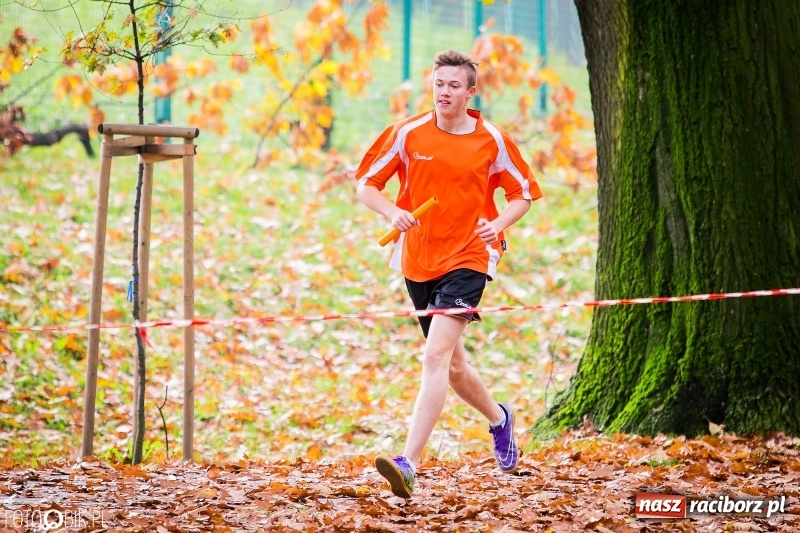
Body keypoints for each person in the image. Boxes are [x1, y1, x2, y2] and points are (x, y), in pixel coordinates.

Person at [354, 49, 543, 499]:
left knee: (436, 356)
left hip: (471, 256)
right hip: (418, 258)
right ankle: (500, 420)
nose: (444, 92)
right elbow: (366, 184)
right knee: (454, 365)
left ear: (470, 92)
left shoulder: (491, 139)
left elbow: (523, 194)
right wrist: (392, 211)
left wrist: (496, 225)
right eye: (439, 84)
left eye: (454, 86)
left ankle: (408, 463)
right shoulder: (408, 133)